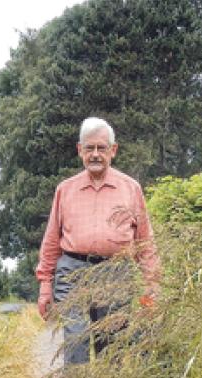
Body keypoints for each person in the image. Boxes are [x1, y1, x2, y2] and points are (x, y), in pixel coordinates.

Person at [35, 117, 160, 365]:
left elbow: (145, 242)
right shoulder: (65, 189)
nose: (95, 154)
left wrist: (152, 285)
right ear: (79, 150)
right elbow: (51, 241)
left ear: (113, 150)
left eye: (101, 148)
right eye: (89, 148)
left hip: (116, 272)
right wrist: (45, 286)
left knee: (111, 345)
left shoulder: (131, 189)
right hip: (73, 274)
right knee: (76, 340)